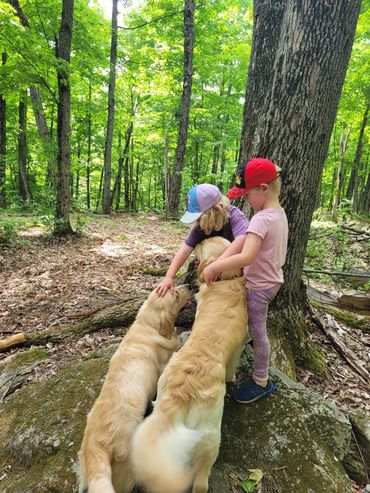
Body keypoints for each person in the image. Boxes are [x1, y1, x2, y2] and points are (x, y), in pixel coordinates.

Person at [203, 158, 288, 404]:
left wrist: (217, 265)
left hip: (259, 287)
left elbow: (247, 255)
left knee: (259, 331)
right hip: (271, 281)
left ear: (264, 188)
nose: (245, 199)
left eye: (247, 194)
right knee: (254, 327)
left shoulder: (261, 219)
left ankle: (261, 381)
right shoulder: (278, 214)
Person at [156, 183, 249, 297]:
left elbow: (242, 240)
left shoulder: (235, 217)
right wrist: (169, 277)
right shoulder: (201, 226)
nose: (197, 222)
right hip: (212, 274)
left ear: (216, 210)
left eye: (199, 218)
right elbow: (184, 251)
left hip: (236, 274)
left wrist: (218, 265)